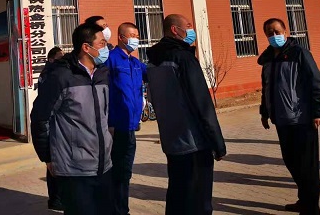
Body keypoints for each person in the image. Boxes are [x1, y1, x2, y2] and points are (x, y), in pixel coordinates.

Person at [146, 14, 226, 215]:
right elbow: (202, 103)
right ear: (175, 30)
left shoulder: (153, 61)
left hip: (171, 140)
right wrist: (217, 141)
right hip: (194, 141)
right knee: (199, 200)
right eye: (188, 26)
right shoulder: (184, 58)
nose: (191, 31)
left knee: (178, 194)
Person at [31, 23, 113, 215]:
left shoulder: (102, 74)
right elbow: (40, 118)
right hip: (74, 168)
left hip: (103, 164)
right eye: (102, 43)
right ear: (86, 47)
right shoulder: (61, 77)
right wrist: (47, 157)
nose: (106, 48)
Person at [259, 18, 320, 215]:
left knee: (307, 167)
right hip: (281, 120)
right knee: (291, 162)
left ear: (285, 32)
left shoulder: (300, 53)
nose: (274, 36)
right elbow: (266, 88)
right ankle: (304, 200)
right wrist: (265, 112)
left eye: (277, 31)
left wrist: (318, 111)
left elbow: (316, 82)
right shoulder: (268, 59)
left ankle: (311, 209)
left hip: (302, 119)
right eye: (269, 33)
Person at [106, 22, 147, 215]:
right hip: (116, 126)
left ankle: (121, 208)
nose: (136, 39)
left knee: (125, 172)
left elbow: (152, 73)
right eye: (132, 35)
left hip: (131, 126)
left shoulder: (135, 63)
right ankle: (117, 210)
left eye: (137, 36)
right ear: (121, 37)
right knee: (118, 172)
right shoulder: (111, 60)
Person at [42, 46, 65, 211]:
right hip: (52, 123)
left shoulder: (53, 73)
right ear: (51, 59)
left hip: (56, 123)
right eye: (59, 57)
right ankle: (55, 199)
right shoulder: (49, 75)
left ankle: (56, 198)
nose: (62, 60)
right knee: (53, 165)